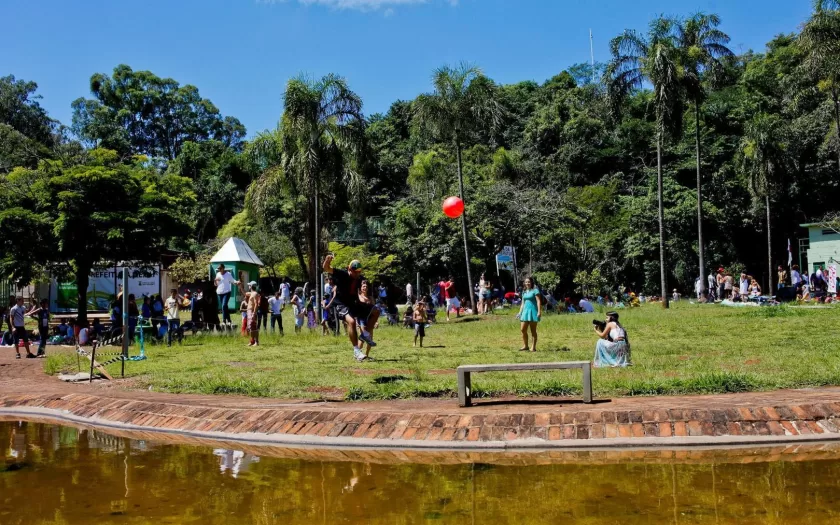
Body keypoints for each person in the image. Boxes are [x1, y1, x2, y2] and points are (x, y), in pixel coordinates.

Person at [322, 255, 380, 362]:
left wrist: (364, 303)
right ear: (349, 269)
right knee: (352, 322)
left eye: (359, 271)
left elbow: (356, 294)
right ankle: (357, 351)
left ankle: (365, 335)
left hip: (353, 304)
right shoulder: (342, 274)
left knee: (376, 311)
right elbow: (326, 268)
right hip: (341, 304)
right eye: (355, 271)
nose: (357, 274)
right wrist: (327, 260)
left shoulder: (359, 279)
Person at [517, 277, 542, 352]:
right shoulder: (524, 292)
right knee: (523, 329)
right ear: (524, 283)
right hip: (525, 312)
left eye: (529, 282)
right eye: (526, 282)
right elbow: (522, 303)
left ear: (531, 283)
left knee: (533, 331)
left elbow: (538, 301)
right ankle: (525, 345)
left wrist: (539, 312)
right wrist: (519, 312)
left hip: (533, 312)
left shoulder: (535, 291)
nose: (527, 283)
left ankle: (533, 347)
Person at [245, 282, 261, 347]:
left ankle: (256, 342)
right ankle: (252, 341)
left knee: (253, 327)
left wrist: (254, 313)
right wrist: (240, 286)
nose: (248, 286)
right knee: (251, 327)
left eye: (249, 285)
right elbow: (245, 293)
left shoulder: (254, 293)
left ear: (251, 286)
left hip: (252, 311)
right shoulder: (251, 293)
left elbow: (256, 304)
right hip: (249, 311)